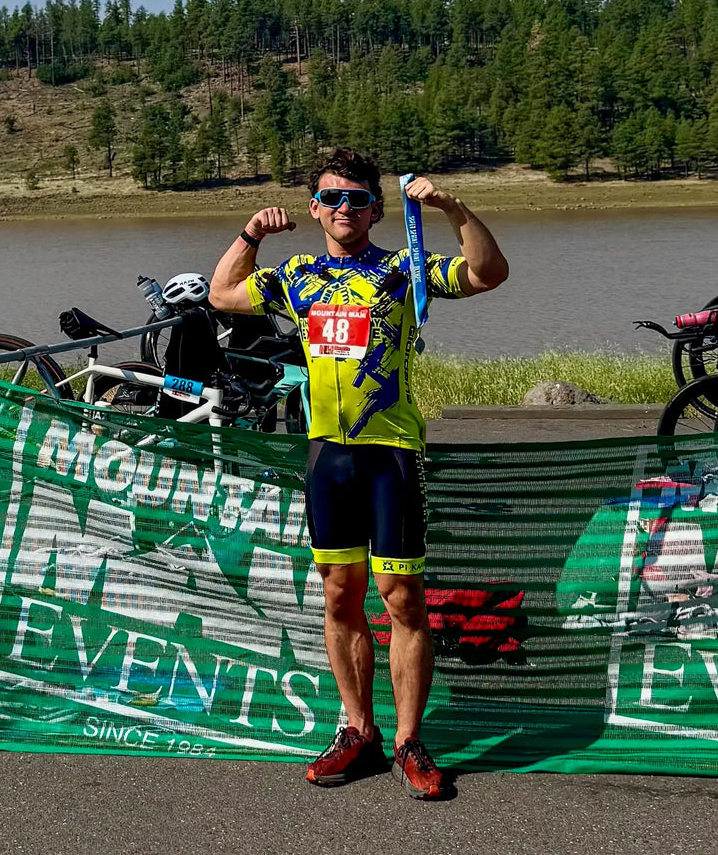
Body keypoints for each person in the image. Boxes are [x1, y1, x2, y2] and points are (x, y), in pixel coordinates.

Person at [208, 148, 508, 799]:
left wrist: (453, 208)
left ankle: (409, 740)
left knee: (402, 599)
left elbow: (489, 273)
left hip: (389, 454)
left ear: (376, 209)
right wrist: (252, 232)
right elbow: (222, 293)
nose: (344, 207)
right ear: (315, 208)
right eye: (332, 198)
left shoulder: (404, 270)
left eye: (357, 198)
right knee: (340, 596)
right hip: (328, 457)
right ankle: (358, 730)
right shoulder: (297, 275)